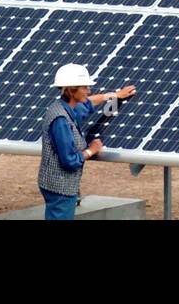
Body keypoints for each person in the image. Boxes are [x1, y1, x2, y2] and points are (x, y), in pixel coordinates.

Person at [39, 63, 137, 220]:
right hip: (60, 188)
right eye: (84, 87)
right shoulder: (61, 120)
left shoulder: (64, 107)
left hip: (56, 184)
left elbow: (88, 102)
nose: (88, 91)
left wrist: (114, 96)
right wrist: (92, 149)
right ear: (71, 90)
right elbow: (69, 161)